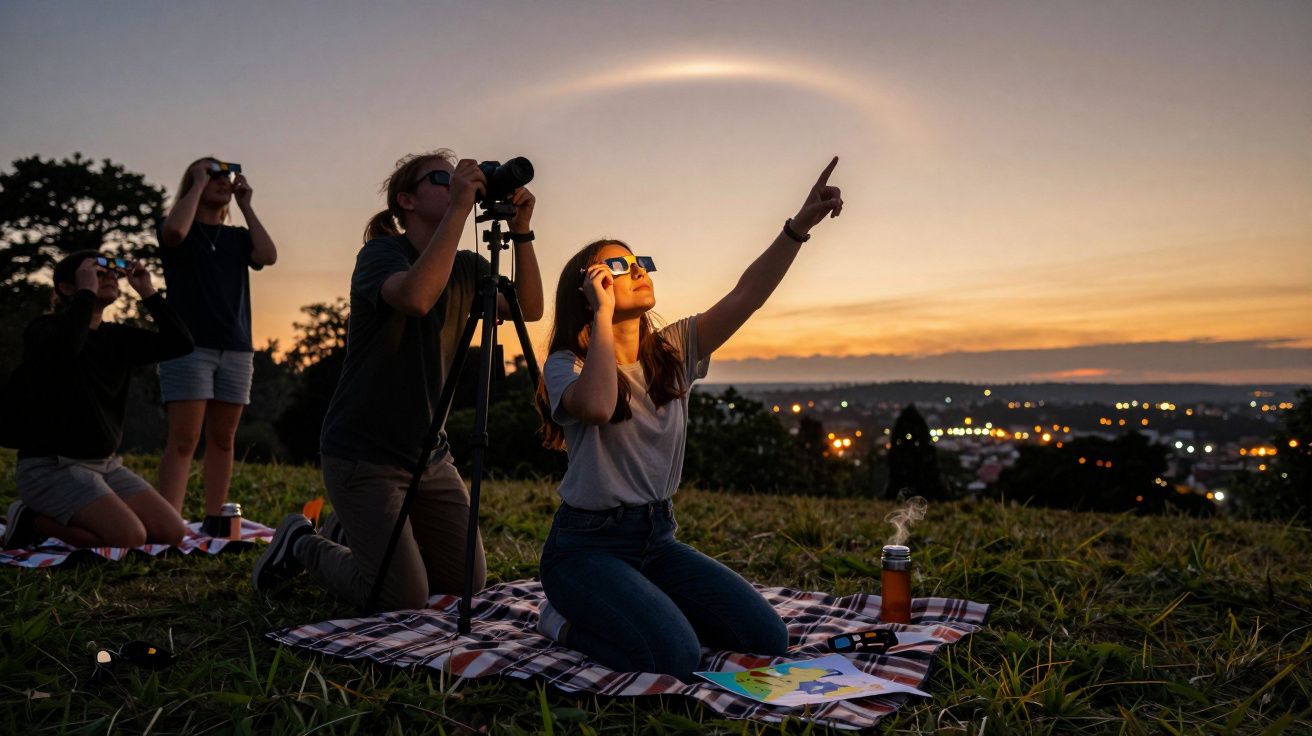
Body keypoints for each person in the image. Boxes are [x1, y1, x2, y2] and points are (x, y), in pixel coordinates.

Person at [533, 158, 844, 681]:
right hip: (584, 548)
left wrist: (798, 227)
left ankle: (643, 606)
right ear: (588, 291)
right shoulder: (570, 365)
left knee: (766, 639)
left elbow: (746, 296)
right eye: (618, 267)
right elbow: (599, 406)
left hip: (656, 537)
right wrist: (603, 318)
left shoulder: (673, 349)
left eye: (639, 262)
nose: (637, 270)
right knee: (674, 659)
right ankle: (559, 621)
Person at [252, 149, 544, 610]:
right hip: (363, 454)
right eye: (441, 180)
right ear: (405, 200)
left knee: (462, 584)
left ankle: (360, 532)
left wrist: (522, 232)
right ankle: (302, 543)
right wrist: (458, 210)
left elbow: (529, 309)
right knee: (402, 599)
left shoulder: (467, 266)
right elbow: (416, 297)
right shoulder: (381, 254)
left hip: (429, 456)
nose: (455, 186)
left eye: (458, 181)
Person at [3, 252, 193, 550]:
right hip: (51, 467)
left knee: (171, 531)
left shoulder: (116, 338)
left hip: (105, 467)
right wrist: (86, 294)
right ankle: (31, 521)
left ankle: (60, 518)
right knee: (128, 538)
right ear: (68, 288)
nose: (109, 278)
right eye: (96, 273)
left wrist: (148, 291)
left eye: (110, 273)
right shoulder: (44, 331)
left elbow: (181, 343)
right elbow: (68, 347)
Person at [155, 157, 278, 535]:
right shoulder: (178, 230)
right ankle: (169, 524)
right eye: (213, 175)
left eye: (226, 175)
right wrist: (196, 181)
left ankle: (214, 521)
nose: (223, 180)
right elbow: (173, 232)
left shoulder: (237, 238)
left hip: (236, 347)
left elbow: (268, 255)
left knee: (223, 438)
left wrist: (245, 204)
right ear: (194, 180)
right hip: (188, 347)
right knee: (184, 439)